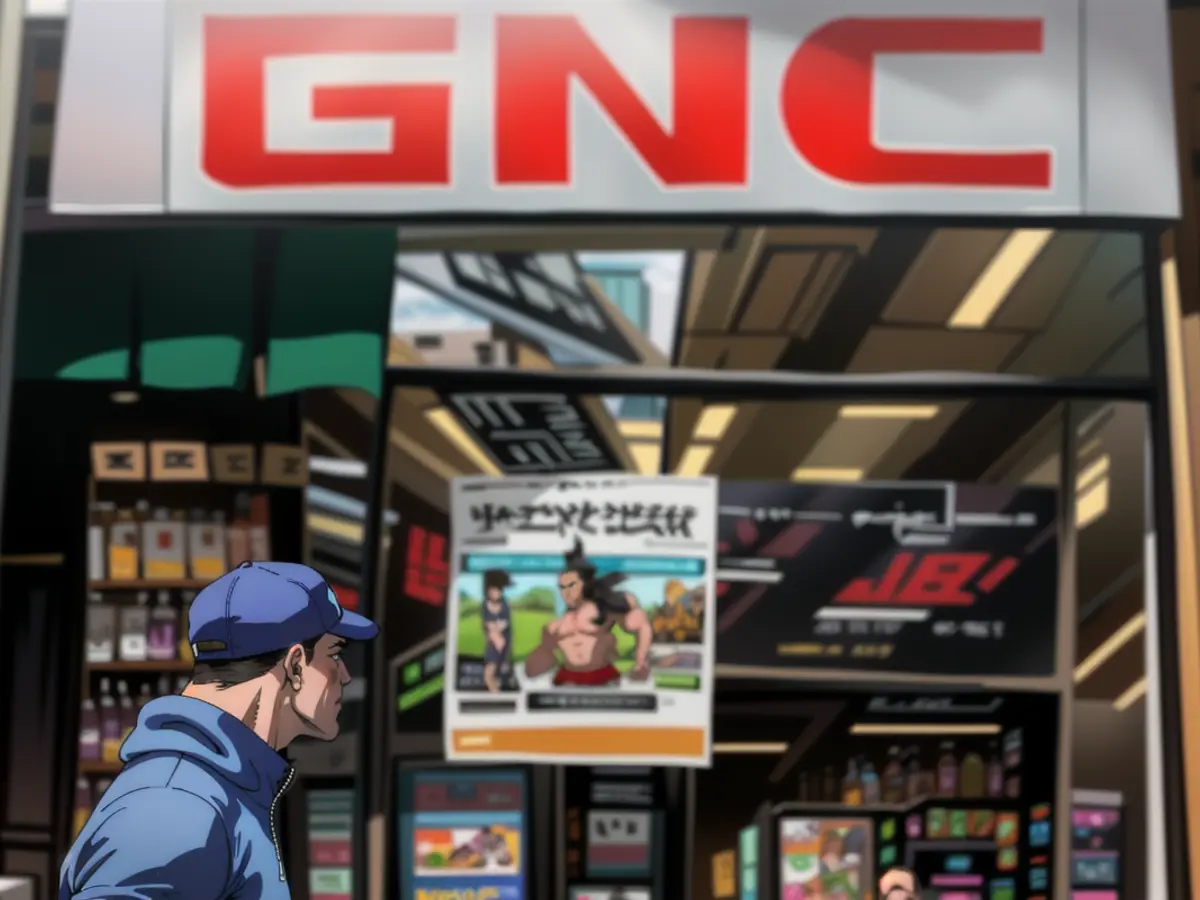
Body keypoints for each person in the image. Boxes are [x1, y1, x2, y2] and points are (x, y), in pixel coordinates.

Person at [60, 561, 379, 900]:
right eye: (334, 654)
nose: (344, 675)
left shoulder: (216, 785)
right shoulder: (176, 807)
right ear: (296, 664)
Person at [523, 538, 653, 687]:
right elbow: (543, 656)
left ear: (585, 584)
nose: (566, 593)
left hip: (601, 677)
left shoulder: (602, 609)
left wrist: (641, 662)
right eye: (562, 587)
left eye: (572, 585)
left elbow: (641, 623)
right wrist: (532, 667)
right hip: (568, 679)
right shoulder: (555, 626)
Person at [481, 568, 513, 693]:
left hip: (501, 646)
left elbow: (504, 624)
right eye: (494, 590)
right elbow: (487, 624)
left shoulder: (505, 605)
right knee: (489, 677)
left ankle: (498, 698)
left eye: (499, 590)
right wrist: (493, 630)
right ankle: (497, 697)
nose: (497, 592)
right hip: (492, 645)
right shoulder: (485, 605)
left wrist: (496, 628)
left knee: (490, 676)